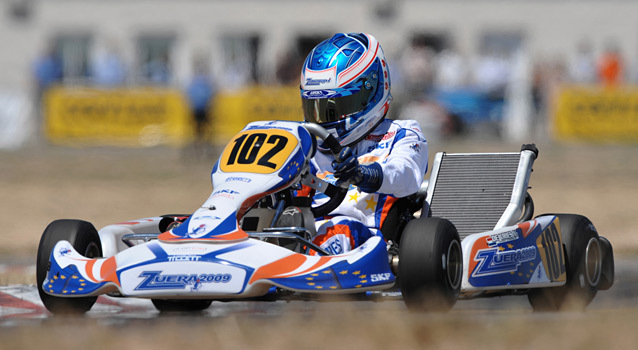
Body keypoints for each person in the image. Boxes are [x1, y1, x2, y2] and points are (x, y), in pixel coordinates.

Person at [299, 33, 429, 254]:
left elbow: (406, 175)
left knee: (342, 231)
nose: (324, 119)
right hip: (301, 228)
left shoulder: (402, 133)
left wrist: (363, 174)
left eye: (335, 107)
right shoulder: (304, 139)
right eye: (316, 108)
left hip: (364, 239)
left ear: (370, 91)